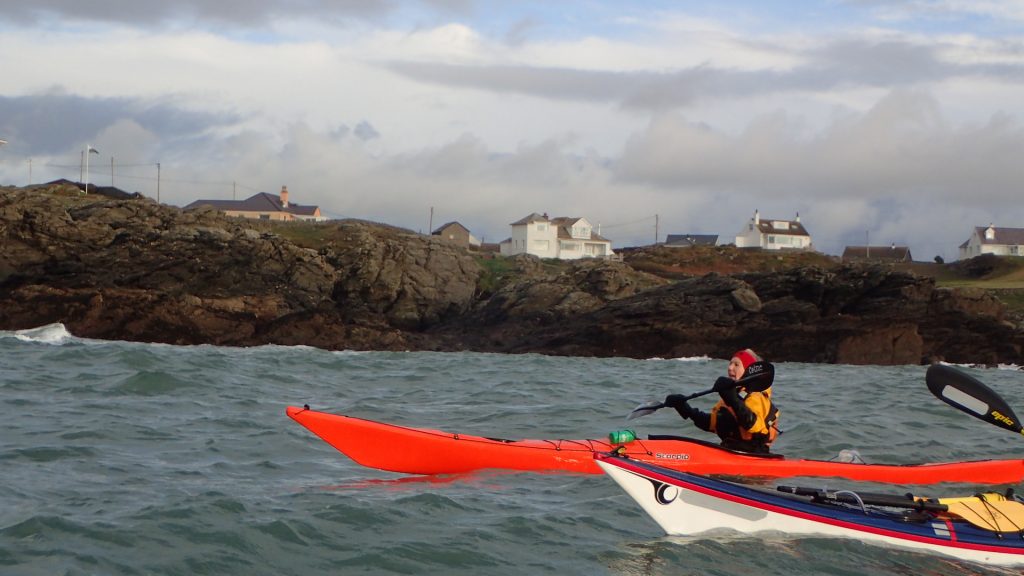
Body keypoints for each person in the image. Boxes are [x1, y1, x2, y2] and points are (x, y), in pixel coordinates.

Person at [664, 349, 780, 454]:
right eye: (730, 363)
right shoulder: (731, 395)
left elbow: (753, 424)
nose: (730, 368)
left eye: (736, 364)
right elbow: (713, 424)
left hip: (754, 456)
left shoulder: (756, 396)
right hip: (730, 452)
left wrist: (732, 399)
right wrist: (686, 409)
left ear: (747, 371)